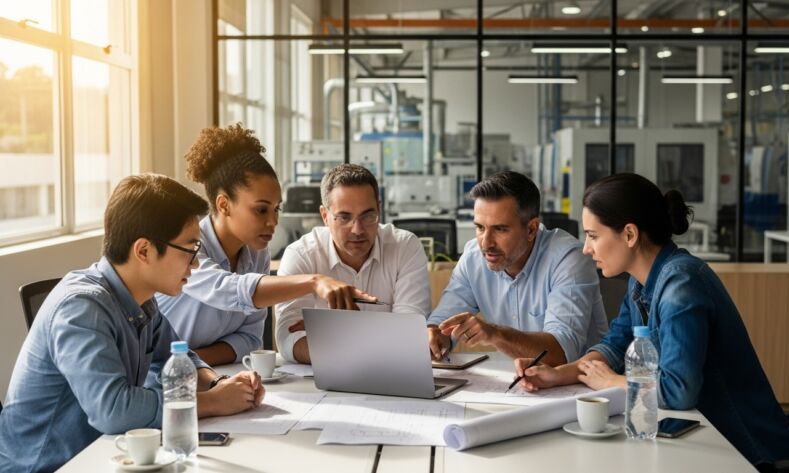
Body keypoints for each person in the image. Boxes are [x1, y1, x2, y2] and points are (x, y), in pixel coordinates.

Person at [513, 173, 789, 466]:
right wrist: (559, 374)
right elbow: (613, 347)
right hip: (698, 440)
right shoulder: (641, 282)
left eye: (593, 235)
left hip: (745, 453)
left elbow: (678, 392)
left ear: (629, 234)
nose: (587, 248)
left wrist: (611, 381)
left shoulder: (681, 285)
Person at [0, 174, 266, 473]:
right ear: (143, 251)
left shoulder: (140, 298)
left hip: (103, 455)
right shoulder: (81, 308)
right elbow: (114, 410)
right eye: (190, 250)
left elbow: (178, 355)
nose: (195, 264)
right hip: (48, 466)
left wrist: (219, 384)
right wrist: (213, 402)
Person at [156, 125, 371, 366]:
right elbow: (226, 289)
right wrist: (314, 282)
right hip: (157, 380)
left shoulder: (257, 254)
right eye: (261, 210)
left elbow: (249, 339)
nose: (273, 221)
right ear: (224, 205)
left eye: (276, 208)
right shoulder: (188, 247)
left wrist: (186, 361)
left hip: (198, 371)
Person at [427, 171, 608, 366]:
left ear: (531, 229)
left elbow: (562, 353)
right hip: (518, 384)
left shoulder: (568, 259)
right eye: (480, 227)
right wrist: (435, 335)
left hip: (582, 387)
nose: (486, 243)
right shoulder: (473, 257)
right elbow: (442, 322)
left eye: (500, 229)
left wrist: (495, 334)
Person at [275, 164, 431, 364]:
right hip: (325, 380)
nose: (357, 230)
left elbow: (410, 332)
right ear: (325, 216)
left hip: (389, 375)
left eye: (367, 216)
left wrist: (332, 338)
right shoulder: (301, 255)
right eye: (344, 217)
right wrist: (375, 340)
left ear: (379, 210)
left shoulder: (405, 247)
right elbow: (287, 339)